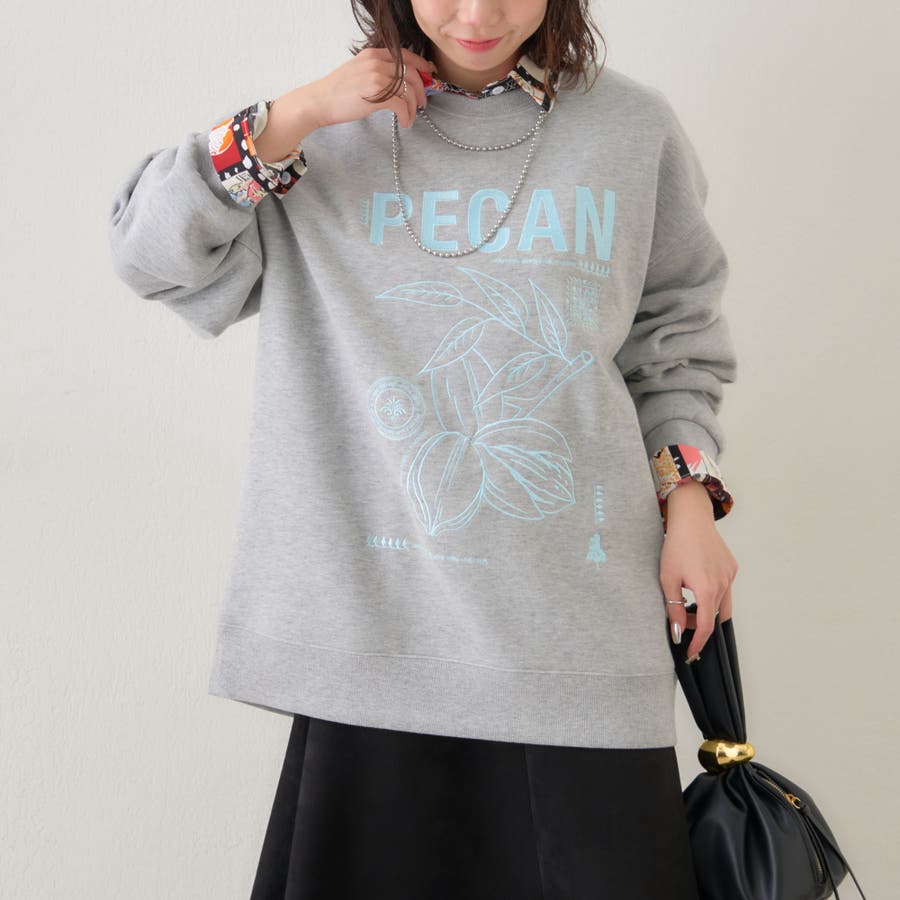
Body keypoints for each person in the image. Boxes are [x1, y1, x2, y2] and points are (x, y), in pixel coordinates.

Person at [108, 0, 740, 896]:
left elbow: (673, 341)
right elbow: (148, 257)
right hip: (373, 646)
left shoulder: (634, 130)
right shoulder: (320, 135)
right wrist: (291, 117)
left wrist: (692, 507)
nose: (478, 13)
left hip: (577, 646)